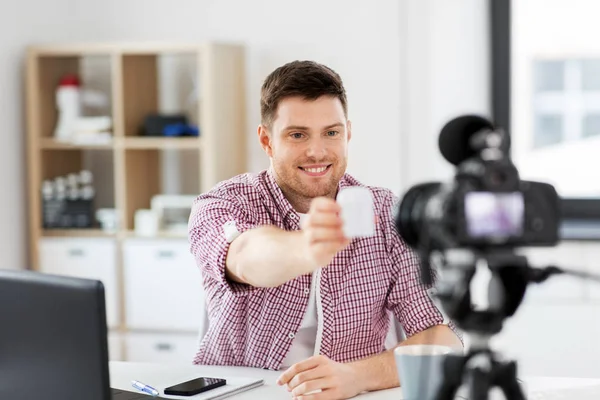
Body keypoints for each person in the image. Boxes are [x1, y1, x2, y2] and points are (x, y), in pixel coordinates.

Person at [188, 60, 463, 399]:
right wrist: (306, 248)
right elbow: (244, 256)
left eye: (331, 133)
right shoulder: (223, 203)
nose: (317, 151)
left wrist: (356, 376)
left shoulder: (388, 214)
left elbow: (444, 339)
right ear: (267, 140)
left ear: (347, 133)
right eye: (297, 134)